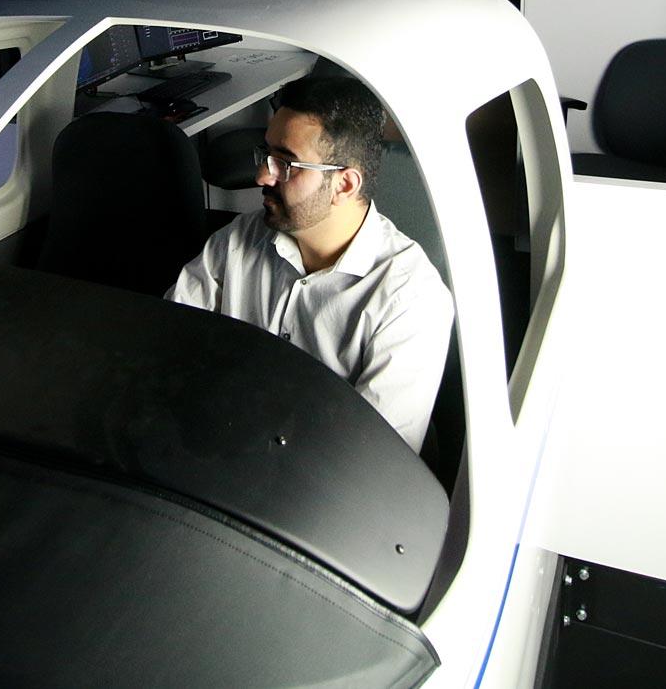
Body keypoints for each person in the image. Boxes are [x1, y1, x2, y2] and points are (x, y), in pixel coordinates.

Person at [167, 77, 454, 452]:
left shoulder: (410, 299)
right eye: (265, 154)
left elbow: (369, 461)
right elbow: (170, 347)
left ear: (345, 185)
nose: (261, 176)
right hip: (223, 448)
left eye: (286, 164)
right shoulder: (239, 239)